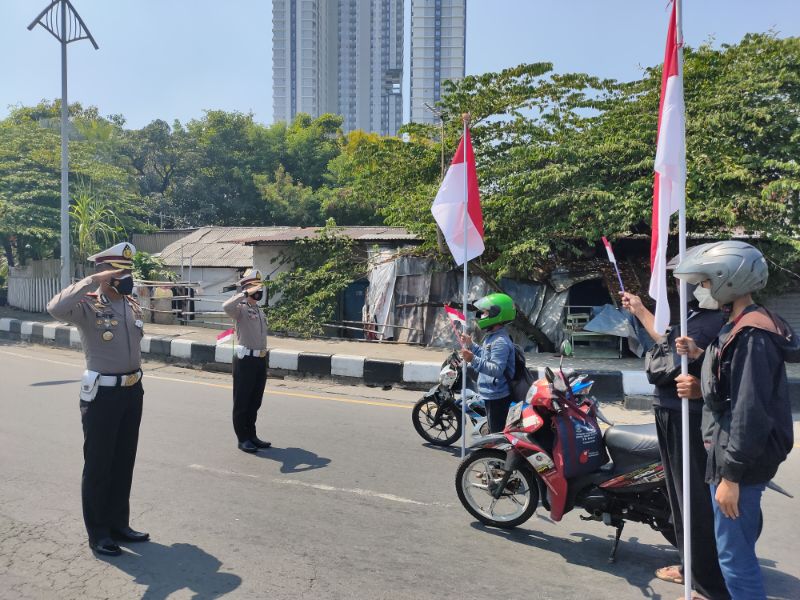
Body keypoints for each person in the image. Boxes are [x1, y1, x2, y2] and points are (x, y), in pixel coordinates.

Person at [674, 241, 796, 600]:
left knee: (734, 558)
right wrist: (701, 362)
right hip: (728, 454)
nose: (703, 290)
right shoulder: (738, 326)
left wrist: (731, 477)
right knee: (733, 549)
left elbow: (749, 412)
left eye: (708, 282)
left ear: (730, 280)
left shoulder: (752, 335)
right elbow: (731, 388)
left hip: (737, 462)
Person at [621, 266, 729, 600]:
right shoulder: (698, 315)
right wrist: (639, 310)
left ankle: (708, 585)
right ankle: (691, 567)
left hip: (688, 417)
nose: (699, 287)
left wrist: (666, 356)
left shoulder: (718, 322)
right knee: (681, 500)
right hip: (671, 411)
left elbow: (661, 365)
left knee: (693, 502)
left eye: (705, 282)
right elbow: (665, 339)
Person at [47, 242, 149, 557]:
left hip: (132, 390)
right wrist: (91, 281)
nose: (126, 277)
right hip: (102, 394)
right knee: (99, 465)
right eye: (119, 271)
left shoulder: (131, 304)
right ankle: (99, 533)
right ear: (105, 273)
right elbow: (55, 308)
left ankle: (119, 524)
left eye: (128, 271)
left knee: (123, 462)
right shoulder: (88, 306)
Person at [223, 269, 270, 454]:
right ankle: (242, 439)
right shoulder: (240, 309)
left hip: (259, 360)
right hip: (245, 360)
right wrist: (243, 293)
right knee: (242, 401)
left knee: (255, 401)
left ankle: (252, 435)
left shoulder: (258, 310)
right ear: (247, 289)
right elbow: (226, 307)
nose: (259, 290)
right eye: (255, 287)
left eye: (260, 287)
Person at [459, 293, 516, 433]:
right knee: (493, 430)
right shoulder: (492, 337)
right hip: (491, 393)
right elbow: (486, 357)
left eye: (485, 313)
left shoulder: (500, 341)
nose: (482, 316)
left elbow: (496, 369)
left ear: (497, 314)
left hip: (498, 396)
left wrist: (472, 359)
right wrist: (471, 345)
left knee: (497, 436)